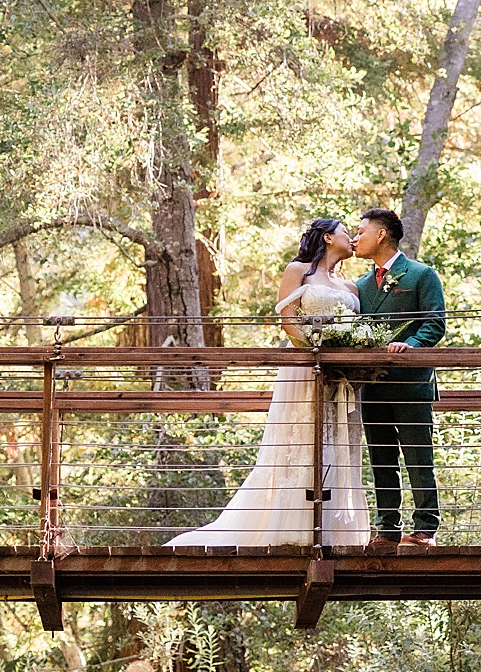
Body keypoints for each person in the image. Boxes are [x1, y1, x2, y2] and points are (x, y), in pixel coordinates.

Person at [164, 218, 372, 549]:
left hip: (341, 379)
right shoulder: (299, 271)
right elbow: (287, 319)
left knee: (337, 443)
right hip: (305, 368)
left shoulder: (352, 288)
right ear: (329, 237)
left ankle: (332, 531)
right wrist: (316, 350)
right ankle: (293, 528)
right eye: (348, 232)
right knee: (301, 440)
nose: (353, 239)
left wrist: (347, 356)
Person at [351, 207, 445, 546]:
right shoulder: (360, 285)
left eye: (360, 231)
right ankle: (388, 529)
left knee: (419, 456)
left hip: (411, 382)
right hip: (373, 385)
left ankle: (425, 530)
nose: (354, 238)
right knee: (381, 458)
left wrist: (411, 345)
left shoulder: (421, 275)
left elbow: (435, 323)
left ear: (380, 235)